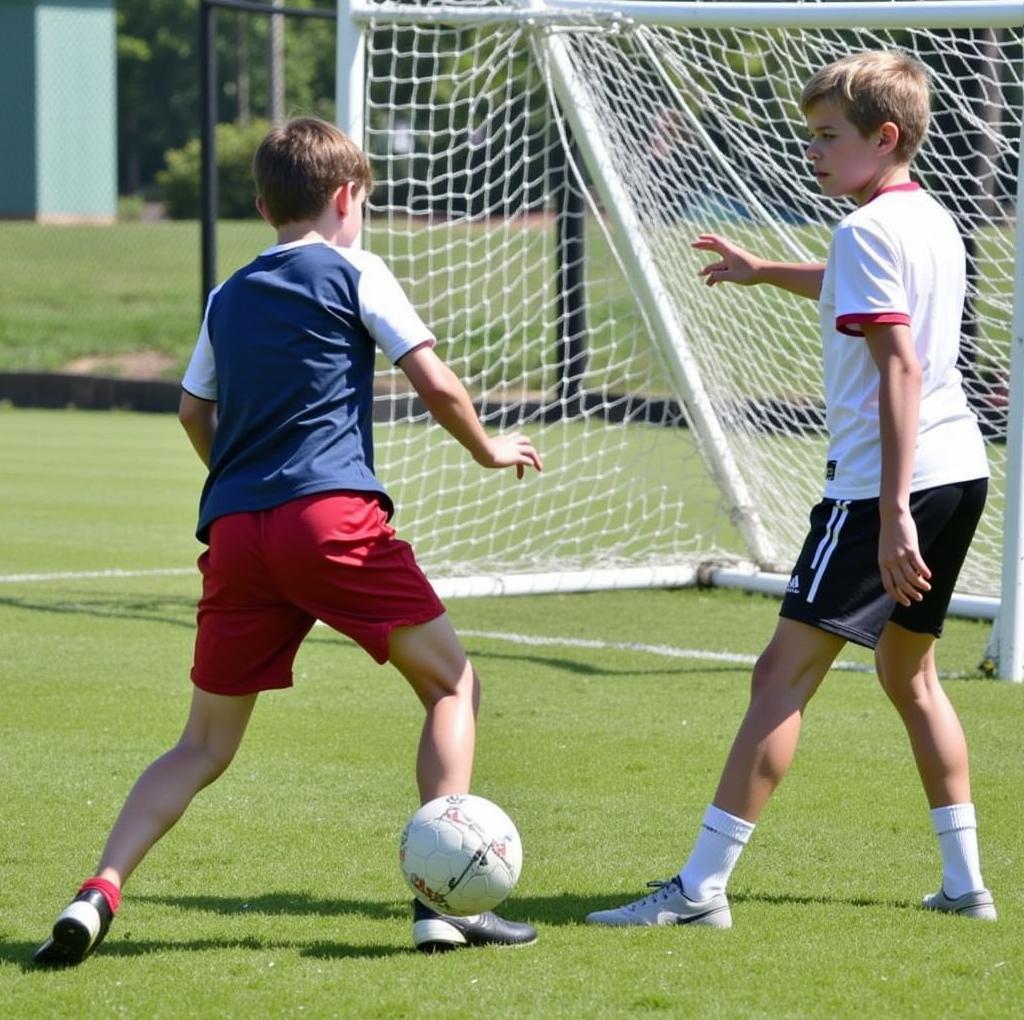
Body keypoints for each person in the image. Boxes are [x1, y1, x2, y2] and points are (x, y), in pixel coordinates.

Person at [34, 117, 543, 967]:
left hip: (236, 530)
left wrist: (237, 478)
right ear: (348, 198)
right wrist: (490, 448)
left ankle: (98, 892)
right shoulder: (356, 269)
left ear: (265, 203)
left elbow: (195, 410)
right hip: (329, 520)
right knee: (454, 685)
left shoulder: (228, 293)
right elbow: (434, 379)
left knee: (201, 746)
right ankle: (439, 907)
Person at [587, 51, 996, 929]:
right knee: (909, 671)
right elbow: (865, 299)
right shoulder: (928, 219)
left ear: (884, 138)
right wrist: (765, 269)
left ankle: (697, 892)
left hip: (888, 490)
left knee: (779, 676)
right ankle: (967, 886)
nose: (811, 150)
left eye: (828, 136)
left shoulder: (865, 232)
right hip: (961, 473)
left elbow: (900, 367)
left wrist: (888, 514)